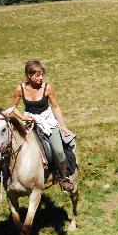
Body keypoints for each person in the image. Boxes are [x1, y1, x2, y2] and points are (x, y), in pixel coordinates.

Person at [10, 59, 75, 192]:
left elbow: (56, 107)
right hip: (29, 122)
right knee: (15, 145)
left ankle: (63, 178)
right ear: (29, 75)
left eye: (42, 75)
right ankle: (6, 173)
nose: (41, 78)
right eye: (38, 75)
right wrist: (23, 117)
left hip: (47, 121)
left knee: (59, 151)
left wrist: (63, 125)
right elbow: (13, 107)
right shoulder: (20, 89)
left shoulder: (47, 88)